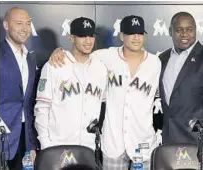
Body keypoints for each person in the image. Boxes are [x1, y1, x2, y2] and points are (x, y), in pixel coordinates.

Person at [49, 15, 161, 170]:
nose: (136, 38)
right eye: (131, 33)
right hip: (113, 144)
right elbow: (79, 55)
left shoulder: (155, 62)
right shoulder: (105, 56)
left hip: (143, 142)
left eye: (140, 33)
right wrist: (59, 51)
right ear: (122, 36)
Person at [34, 17, 107, 151]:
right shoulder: (54, 65)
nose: (88, 41)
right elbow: (42, 107)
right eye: (82, 36)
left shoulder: (100, 68)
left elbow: (103, 105)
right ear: (71, 38)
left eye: (91, 36)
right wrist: (45, 143)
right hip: (58, 145)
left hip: (88, 146)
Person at [0, 7, 37, 170]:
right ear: (6, 25)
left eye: (27, 23)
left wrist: (31, 141)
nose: (25, 28)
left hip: (25, 135)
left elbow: (28, 100)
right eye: (19, 23)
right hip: (1, 136)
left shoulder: (30, 57)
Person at [159, 11, 203, 144]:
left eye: (189, 30)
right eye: (179, 30)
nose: (184, 34)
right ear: (170, 31)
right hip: (168, 137)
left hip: (196, 139)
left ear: (196, 30)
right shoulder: (162, 58)